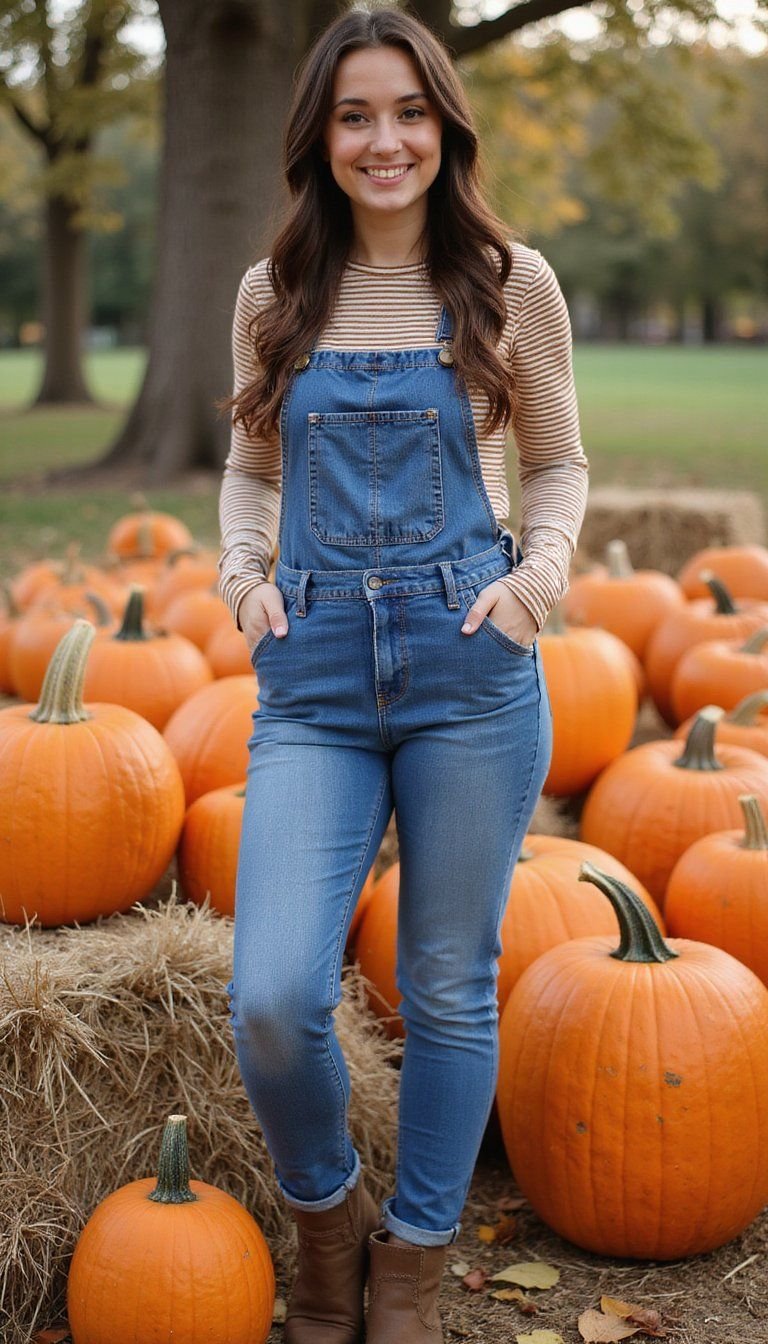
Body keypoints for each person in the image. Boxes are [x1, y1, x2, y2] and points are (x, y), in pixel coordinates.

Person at [217, 7, 588, 1342]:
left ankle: (411, 1264)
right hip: (310, 682)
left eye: (410, 111)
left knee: (446, 985)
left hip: (469, 673)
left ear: (446, 124)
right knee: (270, 997)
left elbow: (558, 462)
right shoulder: (277, 293)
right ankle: (327, 1226)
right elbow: (249, 471)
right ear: (323, 134)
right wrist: (245, 585)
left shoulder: (507, 278)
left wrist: (532, 585)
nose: (387, 139)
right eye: (357, 114)